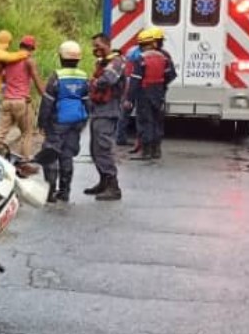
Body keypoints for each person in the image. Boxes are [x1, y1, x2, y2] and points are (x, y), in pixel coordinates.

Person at [36, 41, 89, 204]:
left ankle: (50, 192)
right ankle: (65, 192)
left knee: (51, 154)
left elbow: (47, 102)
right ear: (78, 59)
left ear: (61, 57)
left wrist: (42, 122)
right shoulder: (83, 76)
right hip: (76, 121)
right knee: (67, 156)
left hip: (58, 121)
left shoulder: (57, 76)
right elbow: (87, 101)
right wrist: (84, 121)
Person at [84, 33, 126, 201]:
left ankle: (113, 187)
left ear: (107, 44)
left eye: (98, 46)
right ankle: (103, 182)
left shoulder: (116, 62)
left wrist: (91, 82)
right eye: (94, 46)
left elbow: (107, 80)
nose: (96, 49)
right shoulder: (102, 63)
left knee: (103, 148)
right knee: (95, 150)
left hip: (108, 110)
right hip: (98, 110)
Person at [125, 28, 176, 161]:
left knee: (144, 121)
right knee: (157, 121)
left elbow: (135, 80)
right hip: (159, 92)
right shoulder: (164, 57)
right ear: (154, 43)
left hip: (144, 93)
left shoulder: (140, 58)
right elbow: (171, 75)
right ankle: (156, 150)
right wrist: (161, 86)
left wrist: (129, 98)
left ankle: (146, 151)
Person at [0, 35, 44, 160]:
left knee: (0, 133)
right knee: (26, 133)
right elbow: (36, 80)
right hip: (21, 102)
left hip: (7, 101)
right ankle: (24, 162)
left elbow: (3, 77)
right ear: (32, 48)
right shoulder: (29, 60)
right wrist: (45, 96)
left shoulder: (9, 59)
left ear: (20, 46)